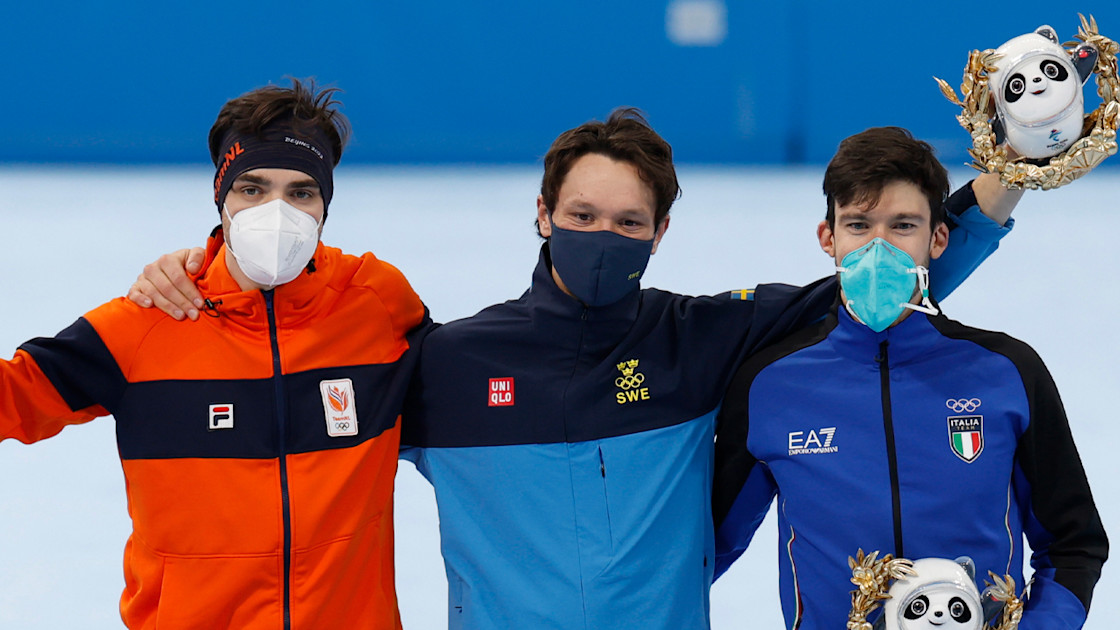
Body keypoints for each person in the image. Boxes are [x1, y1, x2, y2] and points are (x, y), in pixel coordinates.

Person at [131, 109, 1021, 629]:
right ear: (544, 213)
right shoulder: (449, 362)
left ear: (661, 233)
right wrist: (206, 280)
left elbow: (887, 279)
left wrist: (1012, 171)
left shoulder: (700, 339)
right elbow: (286, 397)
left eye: (630, 223)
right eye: (584, 214)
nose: (605, 236)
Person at [0, 79, 427, 628]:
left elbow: (472, 377)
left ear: (325, 205)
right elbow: (14, 394)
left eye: (300, 192)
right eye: (252, 189)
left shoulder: (378, 303)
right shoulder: (147, 323)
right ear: (221, 199)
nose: (277, 212)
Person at [711, 127, 1107, 630]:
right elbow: (703, 553)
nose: (880, 249)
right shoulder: (769, 385)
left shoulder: (1007, 373)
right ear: (828, 237)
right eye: (857, 225)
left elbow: (1073, 543)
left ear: (937, 237)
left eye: (903, 226)